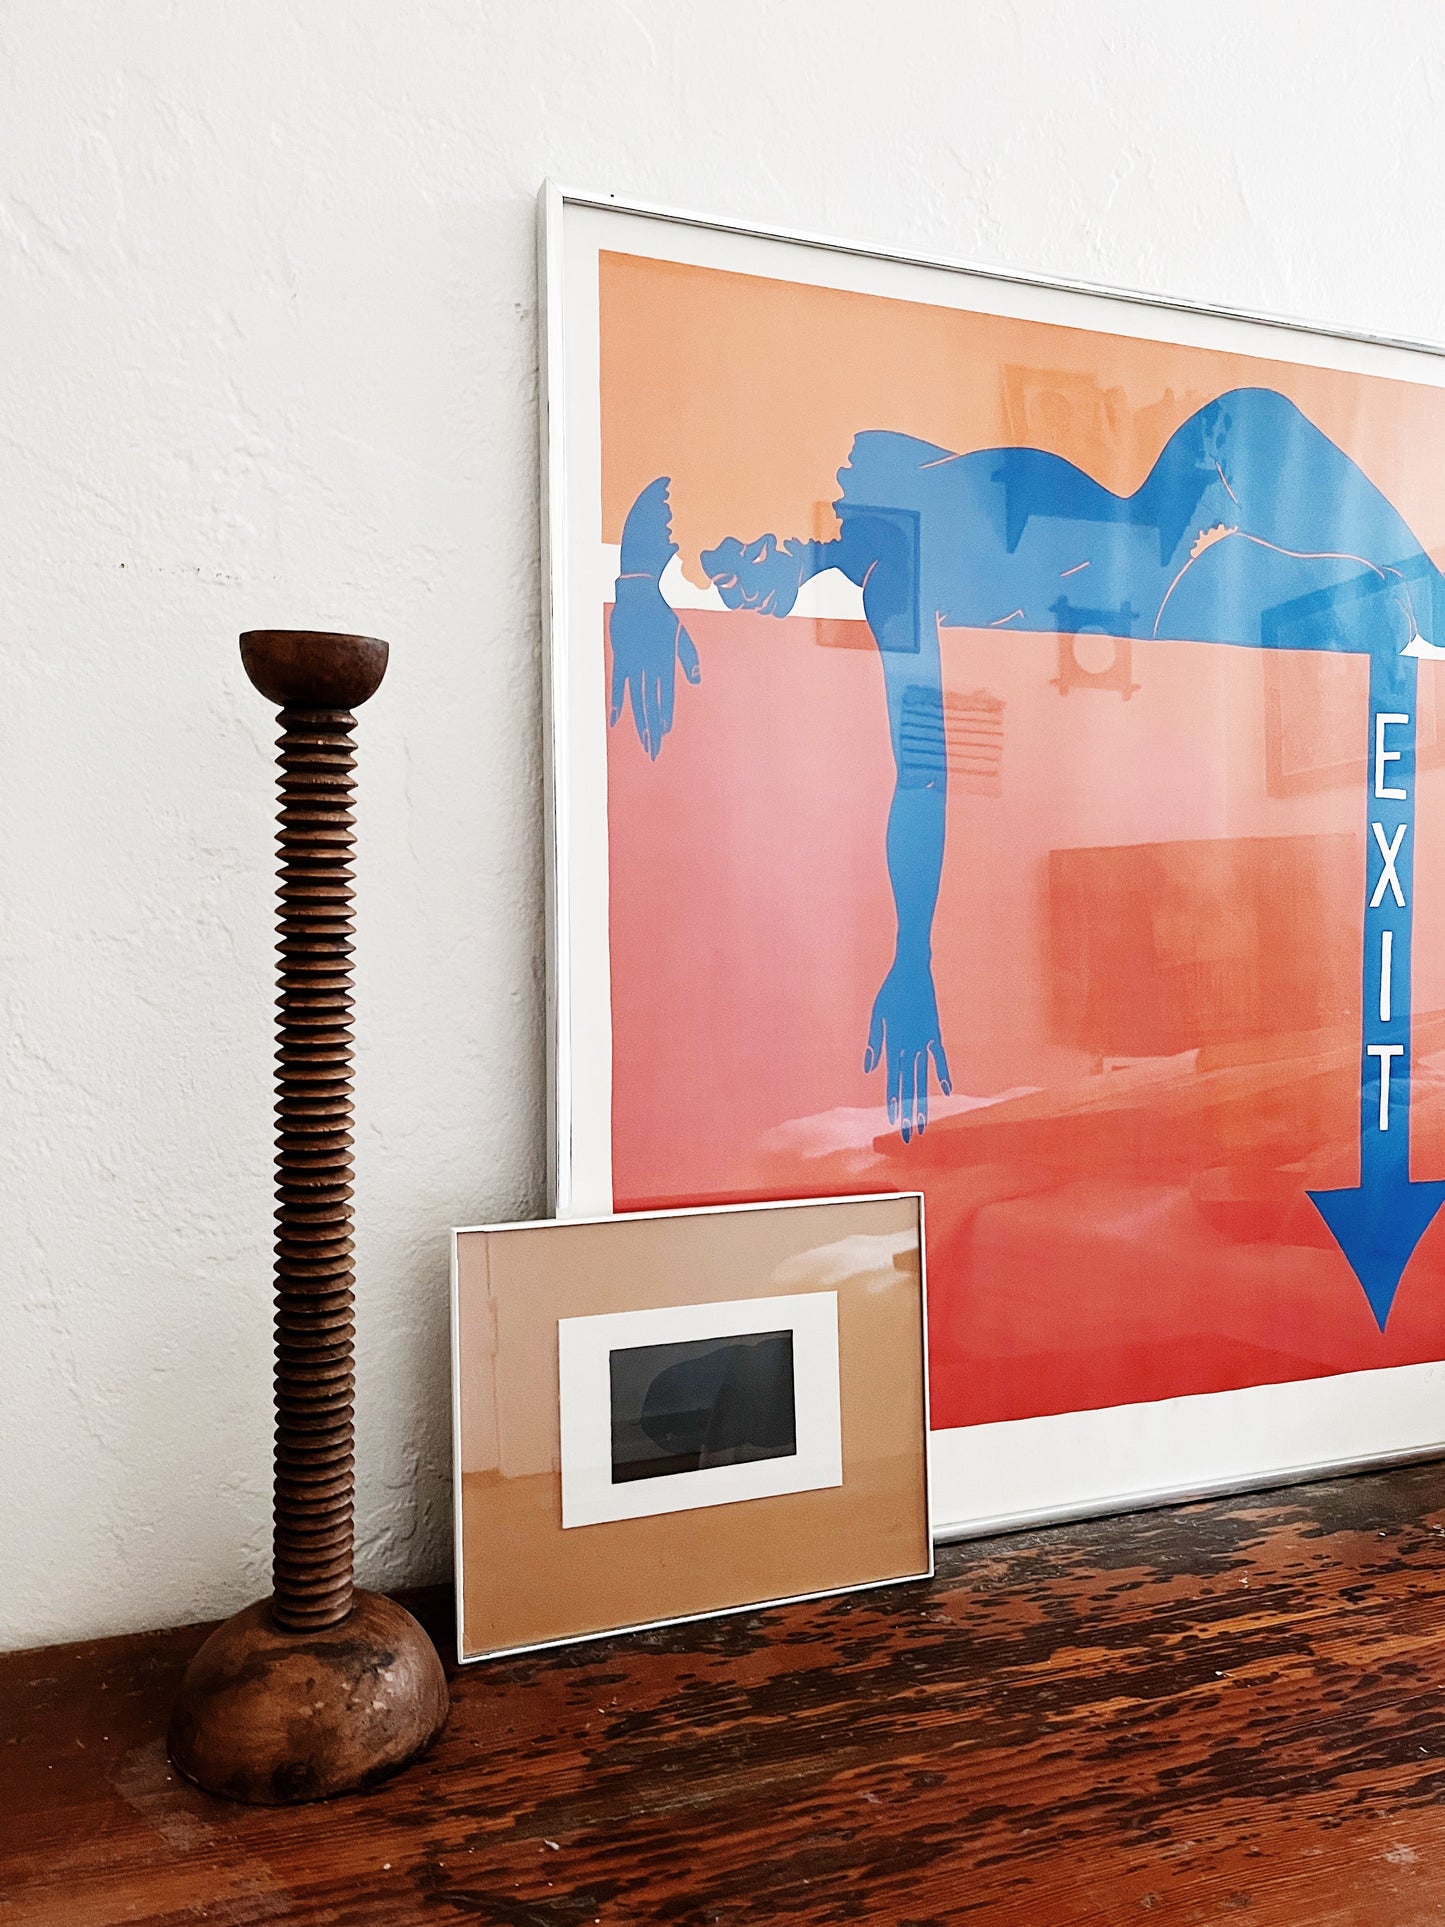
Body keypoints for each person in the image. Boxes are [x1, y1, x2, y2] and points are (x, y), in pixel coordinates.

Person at [608, 387, 1439, 1141]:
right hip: (1162, 603)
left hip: (1161, 549)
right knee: (1366, 611)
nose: (735, 590)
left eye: (734, 563)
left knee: (1252, 424)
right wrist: (910, 954)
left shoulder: (886, 505)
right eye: (717, 581)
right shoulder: (887, 576)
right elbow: (921, 771)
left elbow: (920, 774)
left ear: (769, 520)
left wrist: (645, 571)